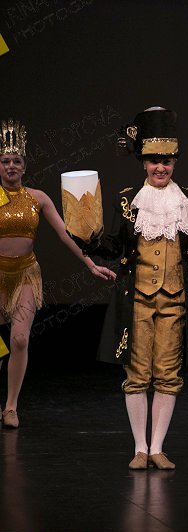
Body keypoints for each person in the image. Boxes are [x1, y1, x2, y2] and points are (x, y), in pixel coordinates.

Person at [79, 107, 188, 468]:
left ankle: (157, 448)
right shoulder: (127, 199)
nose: (160, 167)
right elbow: (114, 247)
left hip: (175, 300)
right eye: (153, 161)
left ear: (175, 161)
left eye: (166, 161)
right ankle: (139, 448)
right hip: (137, 301)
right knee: (136, 375)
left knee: (167, 373)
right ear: (143, 162)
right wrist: (89, 239)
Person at [0, 119, 115, 429]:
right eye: (5, 161)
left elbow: (66, 234)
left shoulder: (37, 198)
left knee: (19, 340)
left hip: (25, 275)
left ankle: (10, 406)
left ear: (24, 166)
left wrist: (91, 264)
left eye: (16, 161)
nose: (11, 166)